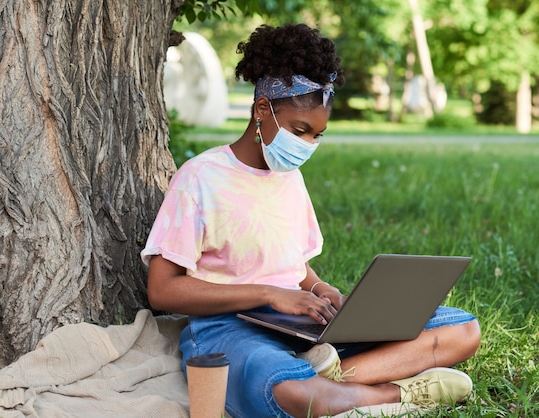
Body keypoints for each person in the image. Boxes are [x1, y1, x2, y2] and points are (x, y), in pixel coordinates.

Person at [141, 23, 481, 418]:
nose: (305, 146)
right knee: (285, 390)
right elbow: (163, 291)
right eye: (299, 130)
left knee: (463, 330)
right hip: (228, 328)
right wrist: (268, 294)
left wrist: (322, 288)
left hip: (301, 324)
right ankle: (391, 395)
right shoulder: (200, 178)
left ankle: (333, 381)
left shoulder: (290, 177)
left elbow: (291, 264)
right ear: (262, 110)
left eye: (317, 135)